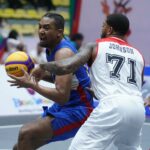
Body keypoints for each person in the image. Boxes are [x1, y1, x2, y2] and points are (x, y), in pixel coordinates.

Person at [31, 13, 145, 150]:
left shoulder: (95, 45)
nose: (101, 28)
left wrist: (42, 66)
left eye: (103, 26)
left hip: (112, 107)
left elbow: (67, 66)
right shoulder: (138, 54)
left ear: (109, 29)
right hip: (138, 109)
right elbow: (134, 85)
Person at [8, 13, 96, 150]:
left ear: (59, 33)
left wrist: (33, 85)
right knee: (20, 145)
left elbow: (62, 96)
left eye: (47, 28)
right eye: (40, 27)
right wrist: (42, 75)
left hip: (80, 110)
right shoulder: (52, 48)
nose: (41, 31)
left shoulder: (63, 53)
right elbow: (63, 78)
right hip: (66, 106)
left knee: (26, 133)